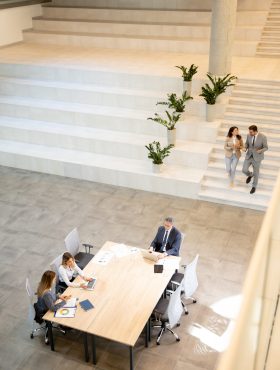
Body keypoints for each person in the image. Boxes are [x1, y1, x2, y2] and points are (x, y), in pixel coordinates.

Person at [242, 125, 268, 194]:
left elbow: (266, 147)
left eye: (251, 132)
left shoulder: (263, 137)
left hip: (257, 157)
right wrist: (245, 147)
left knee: (256, 173)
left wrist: (261, 151)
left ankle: (254, 186)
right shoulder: (248, 135)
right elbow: (247, 143)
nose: (250, 133)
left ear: (255, 131)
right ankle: (250, 175)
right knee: (244, 170)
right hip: (249, 155)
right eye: (249, 132)